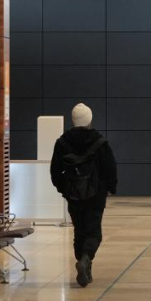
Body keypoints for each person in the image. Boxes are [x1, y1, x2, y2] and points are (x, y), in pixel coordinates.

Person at [50, 103, 117, 287]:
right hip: (96, 194)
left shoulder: (62, 142)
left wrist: (63, 189)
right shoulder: (100, 142)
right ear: (89, 119)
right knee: (94, 231)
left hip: (73, 194)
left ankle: (85, 266)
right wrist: (111, 187)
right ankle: (86, 259)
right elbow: (110, 167)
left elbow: (55, 171)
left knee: (79, 231)